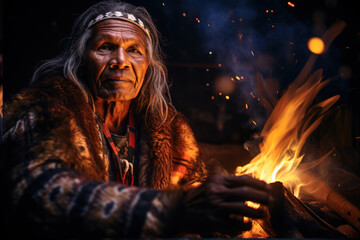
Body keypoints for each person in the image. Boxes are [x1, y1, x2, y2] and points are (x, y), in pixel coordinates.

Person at [2, 0, 273, 238]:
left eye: (134, 50)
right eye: (105, 47)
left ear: (147, 66)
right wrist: (170, 210)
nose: (120, 60)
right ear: (82, 59)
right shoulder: (50, 109)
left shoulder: (172, 132)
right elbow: (37, 193)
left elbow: (199, 201)